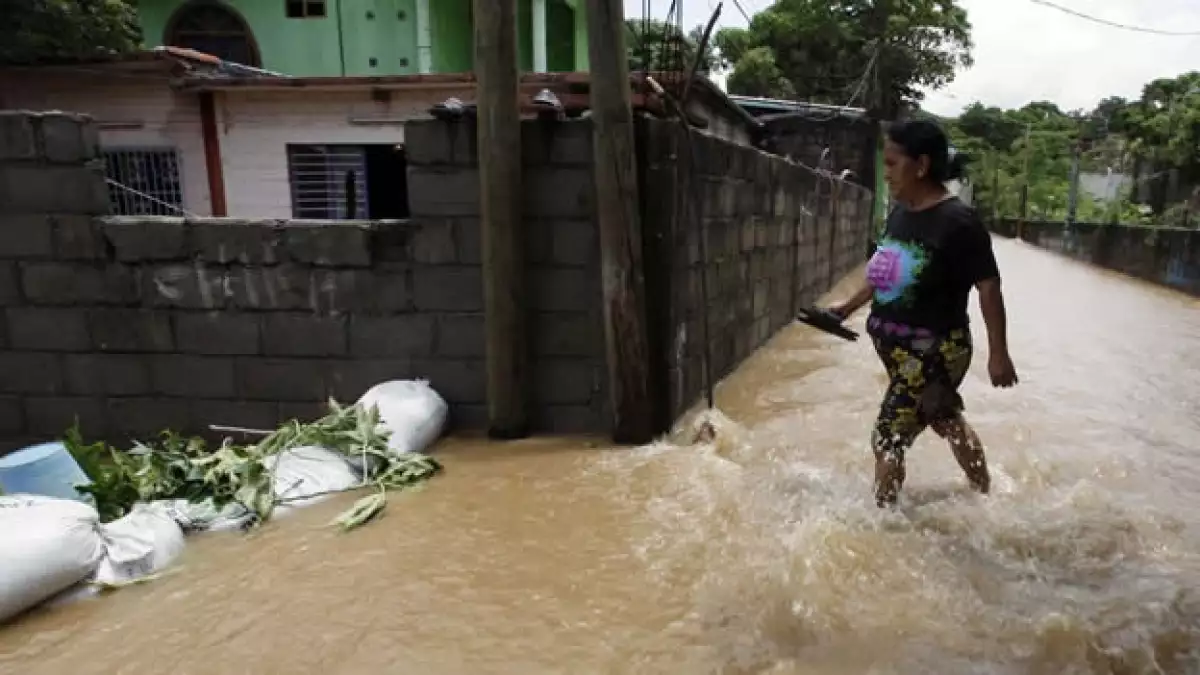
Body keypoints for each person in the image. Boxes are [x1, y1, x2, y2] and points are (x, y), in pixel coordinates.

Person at [827, 119, 1018, 508]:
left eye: (893, 163)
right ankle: (986, 495)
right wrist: (846, 307)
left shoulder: (959, 222)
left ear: (922, 165)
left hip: (933, 351)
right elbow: (887, 271)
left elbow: (988, 287)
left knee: (887, 435)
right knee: (944, 418)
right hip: (900, 352)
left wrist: (999, 353)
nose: (887, 173)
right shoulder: (900, 214)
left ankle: (883, 525)